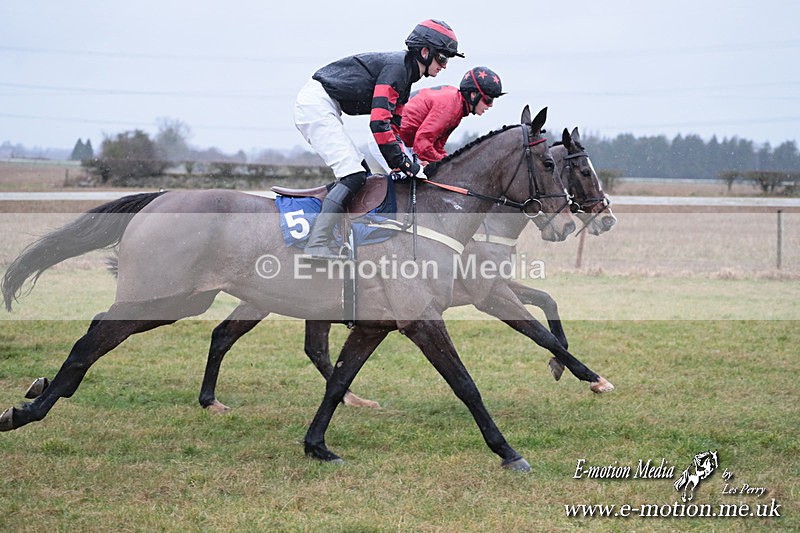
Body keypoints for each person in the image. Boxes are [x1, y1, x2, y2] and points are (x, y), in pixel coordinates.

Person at [294, 19, 464, 260]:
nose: (445, 66)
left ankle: (335, 236)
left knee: (362, 176)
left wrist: (406, 164)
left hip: (325, 106)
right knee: (352, 175)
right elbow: (378, 123)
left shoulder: (405, 76)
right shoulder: (397, 69)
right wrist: (406, 165)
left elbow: (393, 127)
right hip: (316, 105)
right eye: (443, 58)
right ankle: (316, 243)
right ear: (425, 52)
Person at [369, 66, 504, 170]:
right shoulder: (451, 106)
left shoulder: (458, 106)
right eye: (488, 99)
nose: (490, 105)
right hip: (388, 139)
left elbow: (436, 146)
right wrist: (450, 164)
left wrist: (450, 161)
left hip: (402, 141)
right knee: (412, 181)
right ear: (473, 95)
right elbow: (422, 144)